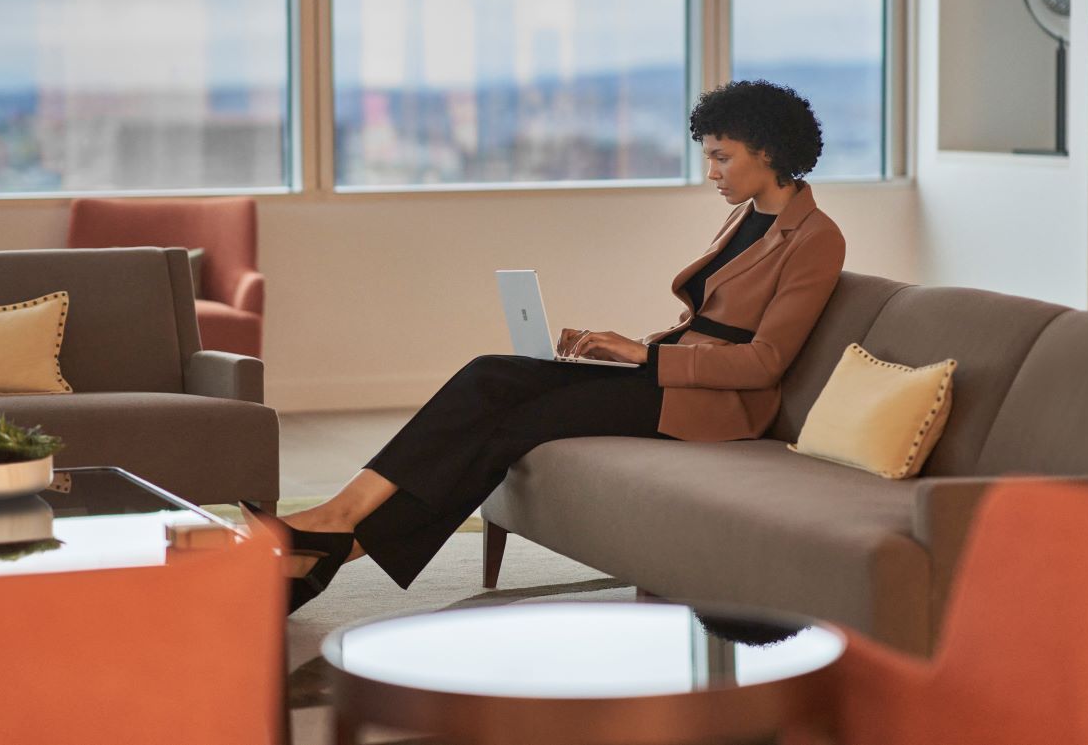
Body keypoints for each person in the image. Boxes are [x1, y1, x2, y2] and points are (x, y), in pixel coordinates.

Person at [241, 79, 847, 613]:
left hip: (713, 408)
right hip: (668, 375)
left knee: (515, 422)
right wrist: (627, 346)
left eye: (722, 157)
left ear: (769, 153)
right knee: (489, 376)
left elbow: (765, 361)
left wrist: (646, 358)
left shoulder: (817, 238)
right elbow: (709, 323)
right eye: (708, 156)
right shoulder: (746, 217)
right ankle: (334, 522)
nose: (711, 171)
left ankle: (331, 542)